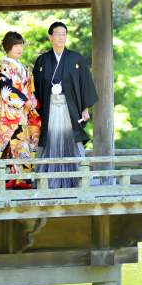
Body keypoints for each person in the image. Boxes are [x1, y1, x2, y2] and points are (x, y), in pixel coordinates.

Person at [33, 21, 98, 188]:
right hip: (49, 108)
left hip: (70, 108)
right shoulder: (42, 60)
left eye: (64, 34)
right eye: (58, 34)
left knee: (73, 139)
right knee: (51, 140)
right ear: (50, 37)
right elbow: (35, 87)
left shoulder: (76, 58)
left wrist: (85, 109)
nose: (61, 37)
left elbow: (85, 83)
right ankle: (48, 181)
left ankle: (77, 179)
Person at [0, 31, 41, 190]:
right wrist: (25, 101)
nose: (19, 49)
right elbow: (6, 90)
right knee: (6, 147)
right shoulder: (4, 67)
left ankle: (20, 179)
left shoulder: (21, 67)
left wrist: (32, 99)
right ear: (8, 47)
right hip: (9, 114)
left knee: (21, 145)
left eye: (21, 46)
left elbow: (29, 88)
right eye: (16, 46)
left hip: (22, 114)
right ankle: (4, 179)